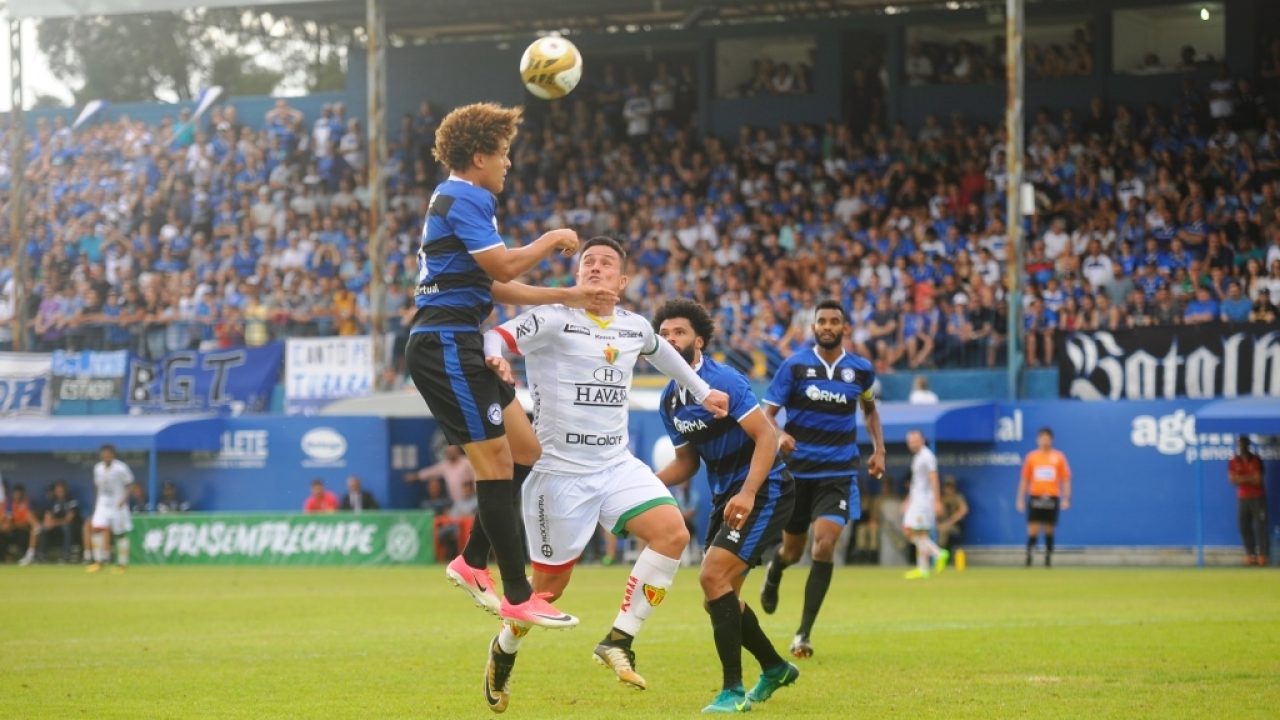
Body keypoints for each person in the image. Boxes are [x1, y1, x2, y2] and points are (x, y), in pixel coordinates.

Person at [477, 237, 730, 708]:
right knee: (547, 591)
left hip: (615, 463)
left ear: (622, 281)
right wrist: (496, 357)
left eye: (606, 262)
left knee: (672, 534)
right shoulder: (553, 316)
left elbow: (661, 352)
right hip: (558, 472)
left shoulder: (633, 326)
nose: (595, 267)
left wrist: (700, 390)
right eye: (587, 261)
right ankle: (504, 650)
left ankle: (618, 639)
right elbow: (497, 335)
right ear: (577, 275)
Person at [406, 102, 614, 631]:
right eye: (503, 154)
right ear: (479, 156)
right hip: (445, 344)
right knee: (496, 464)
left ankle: (472, 560)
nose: (508, 164)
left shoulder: (460, 196)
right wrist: (549, 240)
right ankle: (517, 593)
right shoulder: (465, 195)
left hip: (461, 343)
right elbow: (501, 266)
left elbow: (493, 285)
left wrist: (567, 295)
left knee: (525, 449)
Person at [652, 298, 800, 714]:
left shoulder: (724, 381)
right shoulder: (670, 400)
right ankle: (774, 667)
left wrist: (750, 492)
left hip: (765, 489)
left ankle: (732, 691)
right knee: (719, 598)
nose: (669, 339)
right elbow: (686, 462)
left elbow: (767, 437)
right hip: (726, 496)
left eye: (678, 332)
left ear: (698, 340)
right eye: (662, 335)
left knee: (711, 576)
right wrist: (643, 483)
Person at [759, 299, 884, 659]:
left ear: (845, 327)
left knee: (825, 544)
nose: (828, 326)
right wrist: (779, 436)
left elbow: (870, 409)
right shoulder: (795, 366)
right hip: (798, 474)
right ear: (813, 327)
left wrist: (880, 449)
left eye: (834, 321)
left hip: (839, 473)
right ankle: (776, 567)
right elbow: (768, 413)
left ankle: (803, 634)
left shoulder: (861, 371)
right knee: (794, 550)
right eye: (822, 321)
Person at [1016, 427, 1072, 568]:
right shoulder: (1032, 457)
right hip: (1035, 496)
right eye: (1042, 438)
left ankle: (1048, 559)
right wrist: (1020, 498)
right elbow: (1024, 479)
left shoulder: (1058, 457)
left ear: (1051, 440)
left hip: (1052, 497)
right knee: (1033, 528)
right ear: (1038, 440)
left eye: (1047, 438)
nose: (1045, 441)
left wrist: (1066, 498)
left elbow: (1065, 479)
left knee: (1049, 528)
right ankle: (1029, 557)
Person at [902, 430, 948, 579]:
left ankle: (938, 553)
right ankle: (923, 568)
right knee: (921, 534)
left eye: (915, 440)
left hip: (923, 502)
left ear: (922, 440)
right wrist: (909, 500)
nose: (913, 443)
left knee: (909, 530)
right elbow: (917, 483)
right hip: (917, 499)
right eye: (910, 441)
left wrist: (937, 501)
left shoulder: (927, 456)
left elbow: (934, 478)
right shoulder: (918, 457)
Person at [87, 444, 135, 574]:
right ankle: (99, 561)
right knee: (96, 528)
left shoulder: (121, 468)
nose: (106, 456)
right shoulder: (98, 468)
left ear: (113, 455)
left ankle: (122, 564)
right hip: (103, 503)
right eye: (104, 454)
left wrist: (124, 500)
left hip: (118, 503)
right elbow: (98, 486)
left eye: (108, 454)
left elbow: (130, 485)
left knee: (120, 534)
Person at [1228, 436, 1268, 566]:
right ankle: (1250, 555)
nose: (1242, 447)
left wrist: (1242, 478)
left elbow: (1258, 480)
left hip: (1258, 497)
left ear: (1248, 445)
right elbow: (1233, 480)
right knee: (1244, 526)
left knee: (1260, 526)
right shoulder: (1234, 460)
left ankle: (1263, 555)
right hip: (1243, 498)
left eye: (1244, 444)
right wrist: (1249, 478)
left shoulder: (1256, 460)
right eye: (1240, 444)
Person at [20, 481, 80, 565]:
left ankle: (66, 555)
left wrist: (54, 523)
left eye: (61, 491)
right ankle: (41, 556)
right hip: (56, 526)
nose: (60, 493)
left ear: (65, 490)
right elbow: (48, 517)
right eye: (58, 491)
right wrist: (47, 523)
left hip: (70, 526)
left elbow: (68, 519)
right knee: (42, 529)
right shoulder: (52, 502)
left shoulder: (71, 501)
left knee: (66, 527)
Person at [406, 445, 475, 507]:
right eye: (449, 452)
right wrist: (416, 476)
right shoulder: (445, 465)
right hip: (454, 503)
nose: (451, 453)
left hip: (470, 501)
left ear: (458, 451)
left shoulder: (466, 462)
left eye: (452, 451)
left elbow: (476, 476)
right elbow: (431, 472)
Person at [937, 477, 969, 560]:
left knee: (944, 530)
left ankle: (941, 558)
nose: (948, 489)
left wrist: (950, 521)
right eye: (947, 486)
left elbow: (964, 510)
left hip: (954, 526)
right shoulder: (940, 498)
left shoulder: (957, 497)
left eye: (951, 486)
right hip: (939, 524)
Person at [4, 484, 35, 563]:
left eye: (19, 494)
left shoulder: (27, 503)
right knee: (4, 535)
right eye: (15, 493)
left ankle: (26, 557)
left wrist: (15, 525)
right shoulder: (10, 504)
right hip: (14, 530)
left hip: (25, 530)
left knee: (24, 535)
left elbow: (30, 522)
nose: (17, 496)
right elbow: (8, 522)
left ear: (23, 494)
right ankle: (7, 557)